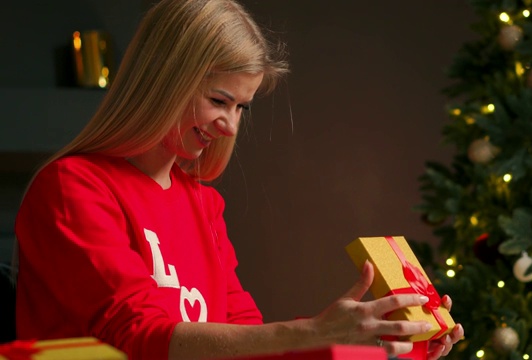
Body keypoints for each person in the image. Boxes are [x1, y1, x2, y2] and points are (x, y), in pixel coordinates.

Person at [13, 0, 464, 359]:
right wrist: (313, 331)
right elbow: (137, 339)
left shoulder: (203, 204)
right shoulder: (72, 187)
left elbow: (247, 343)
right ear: (164, 81)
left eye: (241, 108)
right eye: (219, 100)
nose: (230, 126)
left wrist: (379, 341)